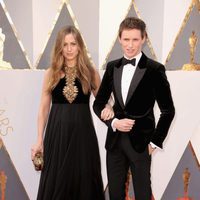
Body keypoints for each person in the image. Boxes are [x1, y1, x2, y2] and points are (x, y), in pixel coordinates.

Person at [93, 17, 175, 200]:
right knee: (115, 195)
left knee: (143, 194)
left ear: (144, 38)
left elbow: (168, 111)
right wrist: (112, 121)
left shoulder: (155, 69)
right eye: (126, 39)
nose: (130, 45)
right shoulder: (112, 67)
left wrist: (154, 143)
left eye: (135, 39)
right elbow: (98, 104)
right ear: (119, 39)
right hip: (114, 144)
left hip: (141, 144)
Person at [31, 25, 113, 200]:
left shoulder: (91, 73)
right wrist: (39, 139)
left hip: (83, 135)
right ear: (59, 47)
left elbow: (104, 101)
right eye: (65, 44)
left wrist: (109, 107)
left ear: (79, 46)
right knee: (57, 182)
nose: (69, 49)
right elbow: (43, 108)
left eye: (73, 44)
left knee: (83, 179)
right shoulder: (51, 73)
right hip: (56, 135)